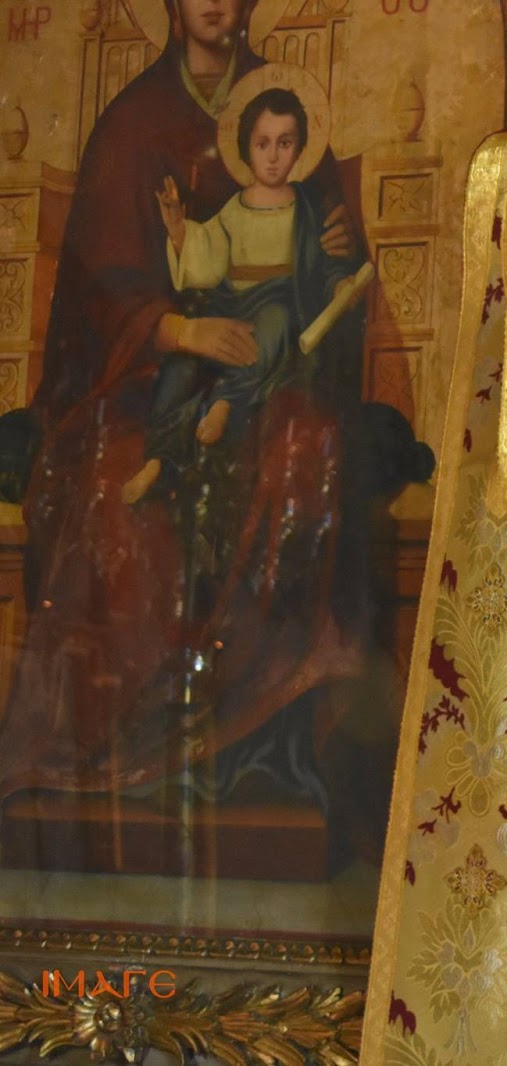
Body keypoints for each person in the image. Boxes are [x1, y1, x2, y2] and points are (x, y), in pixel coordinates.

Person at [0, 0, 374, 812]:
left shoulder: (283, 111)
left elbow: (331, 286)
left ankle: (265, 752)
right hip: (144, 381)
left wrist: (336, 252)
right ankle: (132, 747)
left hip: (267, 379)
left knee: (305, 448)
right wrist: (180, 329)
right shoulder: (130, 127)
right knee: (112, 493)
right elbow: (98, 289)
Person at [124, 87, 365, 504]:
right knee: (181, 365)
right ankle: (158, 458)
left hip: (281, 303)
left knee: (273, 324)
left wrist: (340, 286)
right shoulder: (235, 208)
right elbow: (207, 260)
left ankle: (224, 402)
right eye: (262, 143)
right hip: (230, 303)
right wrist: (178, 228)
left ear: (299, 150)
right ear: (246, 149)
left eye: (284, 143)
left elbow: (325, 265)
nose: (273, 156)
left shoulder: (308, 208)